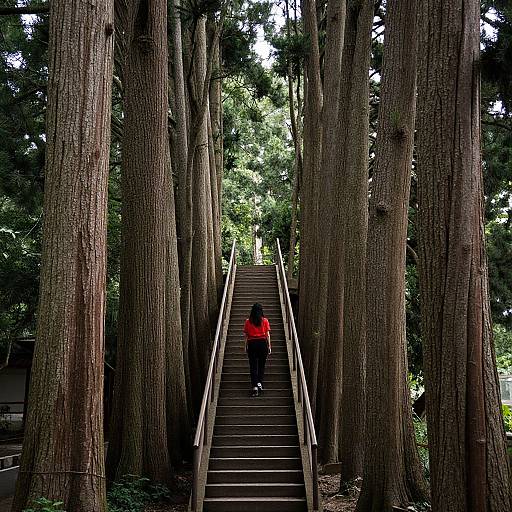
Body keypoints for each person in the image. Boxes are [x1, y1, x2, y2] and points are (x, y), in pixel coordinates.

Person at [243, 303, 271, 397]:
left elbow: (246, 335)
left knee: (253, 365)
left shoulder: (248, 321)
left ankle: (255, 386)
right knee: (261, 365)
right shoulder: (265, 321)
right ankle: (259, 382)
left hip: (252, 344)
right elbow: (267, 335)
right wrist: (269, 346)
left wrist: (245, 346)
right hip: (262, 343)